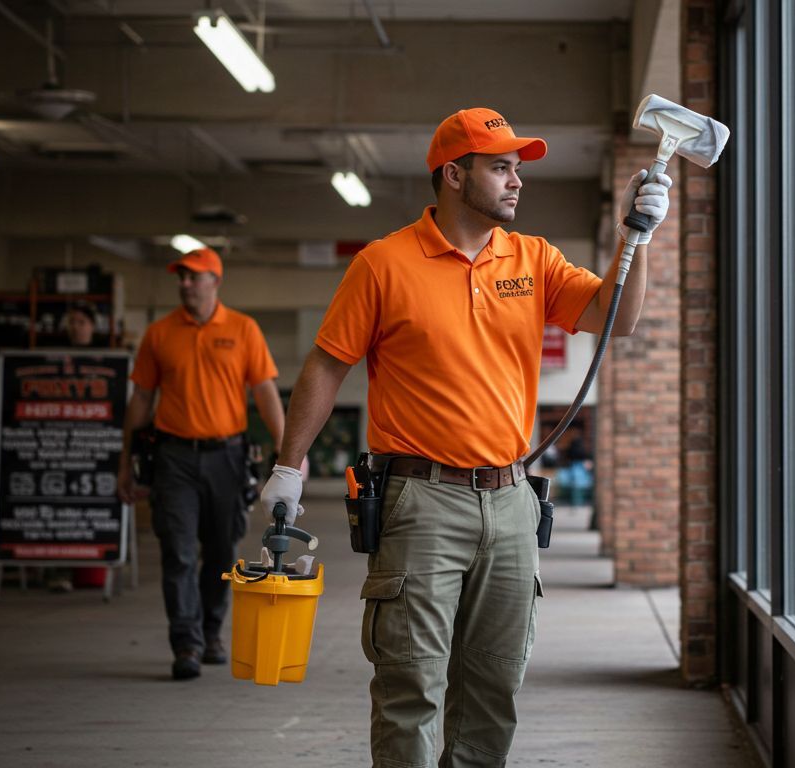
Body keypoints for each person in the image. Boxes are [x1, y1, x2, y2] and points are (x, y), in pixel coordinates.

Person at [260, 107, 672, 766]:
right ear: (454, 175)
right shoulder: (384, 264)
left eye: (517, 168)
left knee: (494, 689)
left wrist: (639, 237)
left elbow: (615, 317)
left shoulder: (533, 258)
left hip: (512, 504)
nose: (516, 181)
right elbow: (327, 364)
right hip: (419, 502)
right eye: (501, 167)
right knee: (411, 688)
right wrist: (289, 467)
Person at [116, 247, 287, 681]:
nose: (185, 284)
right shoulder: (159, 334)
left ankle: (212, 631)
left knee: (221, 550)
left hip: (227, 457)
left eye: (194, 276)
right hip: (173, 458)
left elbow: (266, 394)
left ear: (215, 281)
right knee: (176, 550)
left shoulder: (243, 329)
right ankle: (186, 643)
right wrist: (125, 462)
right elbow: (140, 399)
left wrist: (289, 456)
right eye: (182, 277)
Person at [44, 301, 101, 593]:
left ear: (92, 325)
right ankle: (58, 571)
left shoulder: (105, 361)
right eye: (71, 322)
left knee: (93, 509)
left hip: (95, 446)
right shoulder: (54, 360)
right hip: (60, 447)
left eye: (81, 321)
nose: (75, 327)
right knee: (59, 509)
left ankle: (97, 566)